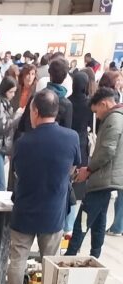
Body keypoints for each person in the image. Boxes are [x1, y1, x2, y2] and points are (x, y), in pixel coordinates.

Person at [2, 90, 80, 284]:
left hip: (24, 208)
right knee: (51, 262)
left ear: (35, 111)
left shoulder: (23, 142)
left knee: (18, 259)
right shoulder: (72, 137)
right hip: (53, 210)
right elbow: (73, 168)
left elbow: (17, 171)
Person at [66, 87, 123, 259]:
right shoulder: (116, 117)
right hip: (107, 177)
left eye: (96, 111)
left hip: (104, 177)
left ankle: (70, 254)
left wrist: (89, 169)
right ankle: (95, 255)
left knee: (84, 217)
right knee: (99, 219)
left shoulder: (113, 119)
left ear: (104, 104)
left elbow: (107, 151)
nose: (97, 116)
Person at [67, 69, 94, 232]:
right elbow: (91, 125)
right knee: (77, 184)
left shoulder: (66, 102)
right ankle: (69, 226)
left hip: (67, 143)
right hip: (82, 144)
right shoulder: (89, 104)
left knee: (65, 179)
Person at [18, 58, 73, 135]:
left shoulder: (35, 97)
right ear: (65, 77)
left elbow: (22, 125)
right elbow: (66, 131)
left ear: (49, 74)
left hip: (33, 139)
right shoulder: (67, 105)